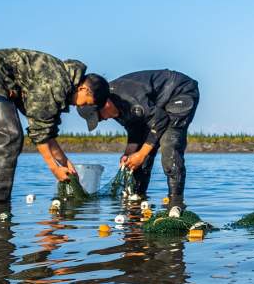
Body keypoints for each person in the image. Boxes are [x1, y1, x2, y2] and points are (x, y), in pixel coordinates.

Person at [0, 48, 109, 203]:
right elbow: (39, 134)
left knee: (9, 136)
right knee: (9, 138)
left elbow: (47, 134)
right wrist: (55, 169)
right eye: (86, 102)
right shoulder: (55, 85)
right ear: (83, 89)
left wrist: (66, 163)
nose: (81, 106)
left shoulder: (64, 87)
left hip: (3, 82)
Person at [78, 70, 199, 207]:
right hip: (156, 107)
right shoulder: (114, 109)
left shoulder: (130, 99)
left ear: (104, 104)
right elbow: (135, 130)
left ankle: (176, 201)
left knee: (169, 143)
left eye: (99, 117)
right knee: (139, 155)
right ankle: (138, 199)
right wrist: (128, 155)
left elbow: (161, 120)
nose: (103, 120)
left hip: (179, 91)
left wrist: (141, 155)